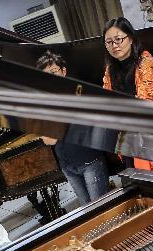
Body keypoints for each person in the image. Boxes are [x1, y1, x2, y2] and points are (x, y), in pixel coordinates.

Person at [36, 52, 110, 208]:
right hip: (68, 167)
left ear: (63, 71)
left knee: (101, 209)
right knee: (86, 209)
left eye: (54, 72)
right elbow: (48, 140)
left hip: (89, 161)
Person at [101, 17, 153, 171]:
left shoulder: (145, 62)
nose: (114, 45)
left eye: (118, 39)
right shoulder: (110, 69)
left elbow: (147, 102)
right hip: (125, 134)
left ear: (131, 38)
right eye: (109, 42)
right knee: (134, 181)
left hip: (146, 132)